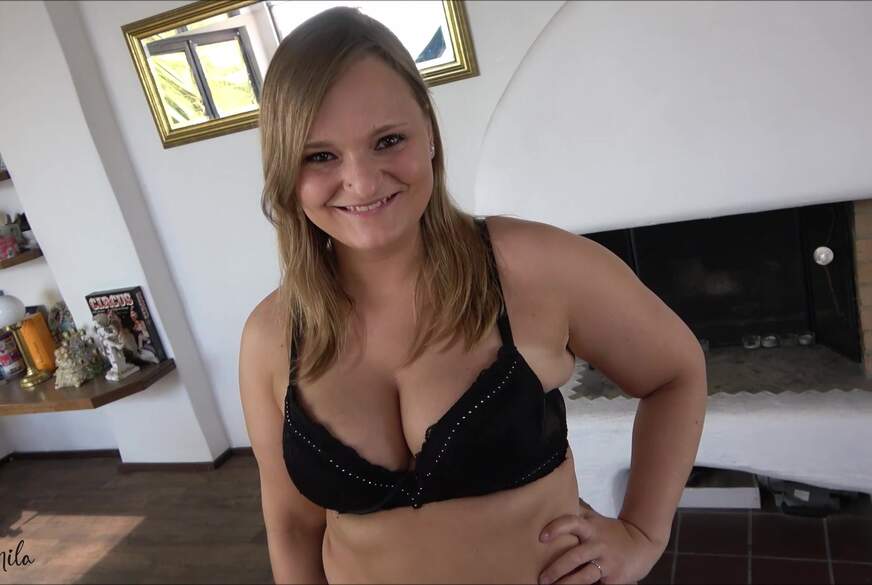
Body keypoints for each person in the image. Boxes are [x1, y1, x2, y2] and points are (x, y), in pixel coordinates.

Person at [239, 7, 707, 584]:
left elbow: (676, 373)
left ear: (430, 135)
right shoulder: (271, 336)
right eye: (320, 155)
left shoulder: (531, 267)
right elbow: (292, 525)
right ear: (285, 168)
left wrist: (643, 533)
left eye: (388, 140)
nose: (361, 180)